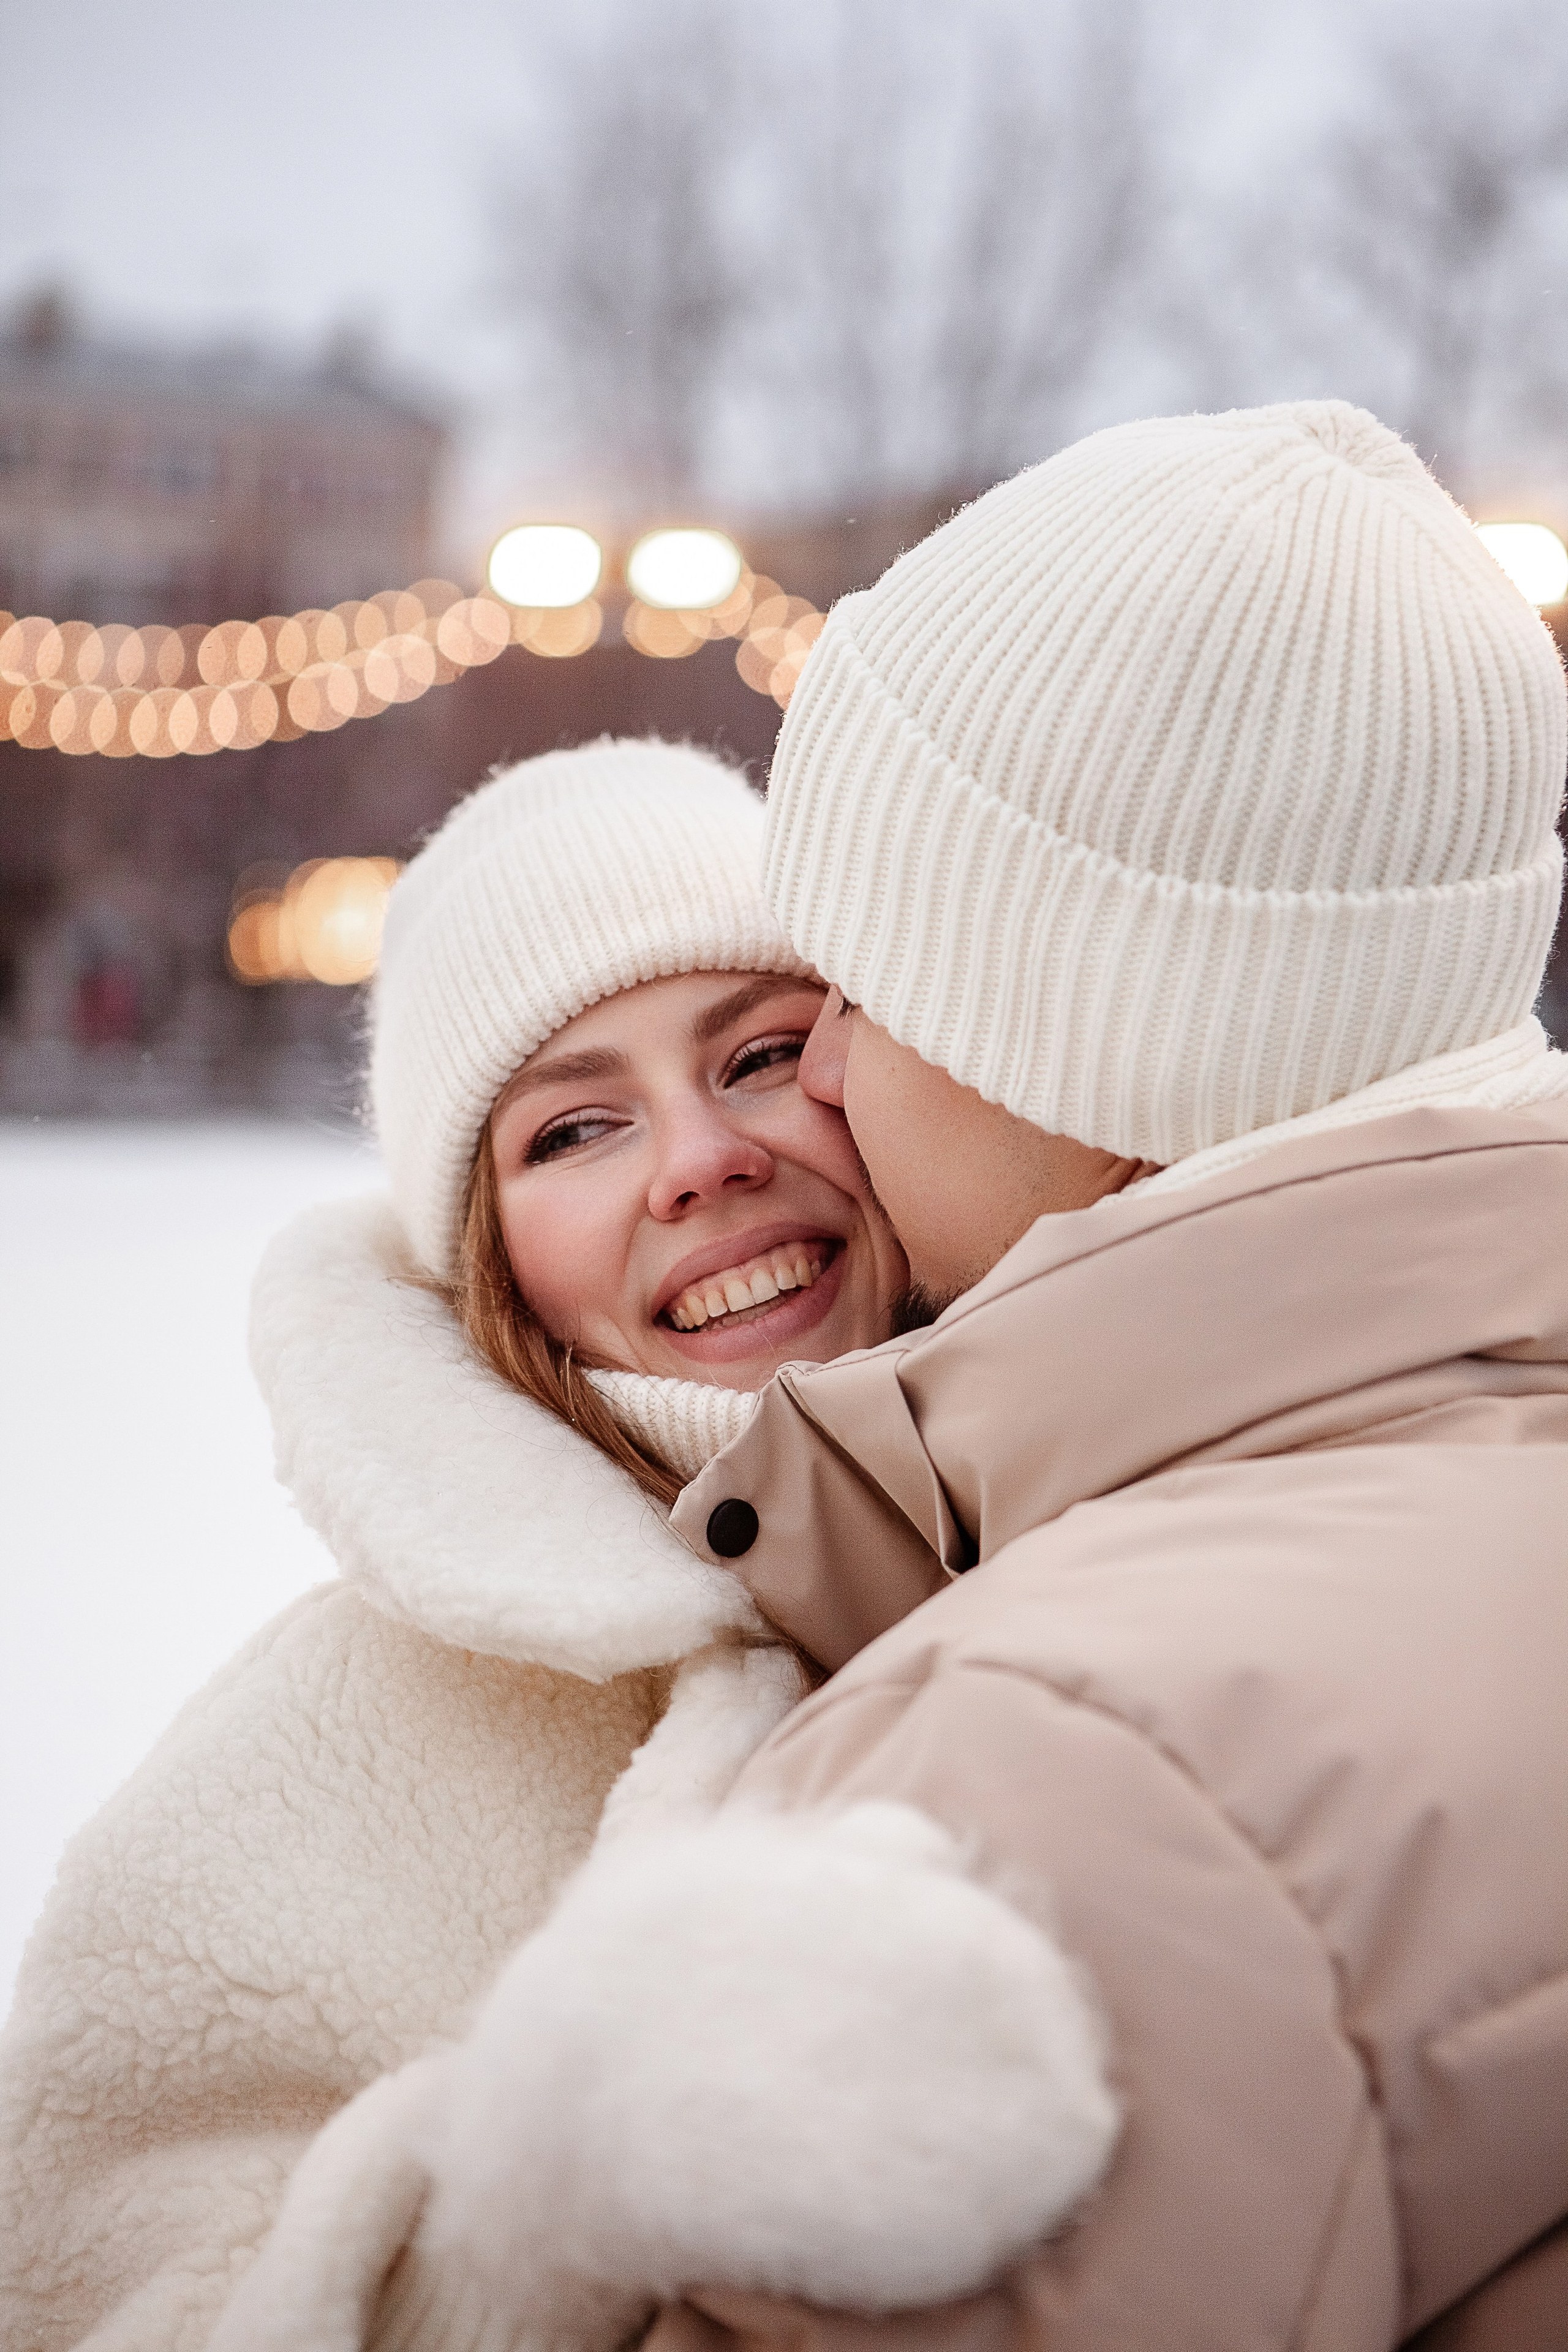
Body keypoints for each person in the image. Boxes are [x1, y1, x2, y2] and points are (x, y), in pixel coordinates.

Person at [235, 402, 1568, 2352]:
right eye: (570, 1128)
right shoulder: (1417, 1479)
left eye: (822, 1010)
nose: (812, 1094)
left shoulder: (1047, 1780)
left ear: (1083, 1027)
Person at [0, 737, 909, 2351]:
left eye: (761, 1051)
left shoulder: (1164, 1498)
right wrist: (574, 2191)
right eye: (573, 1132)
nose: (704, 1159)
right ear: (492, 1259)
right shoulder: (316, 1757)